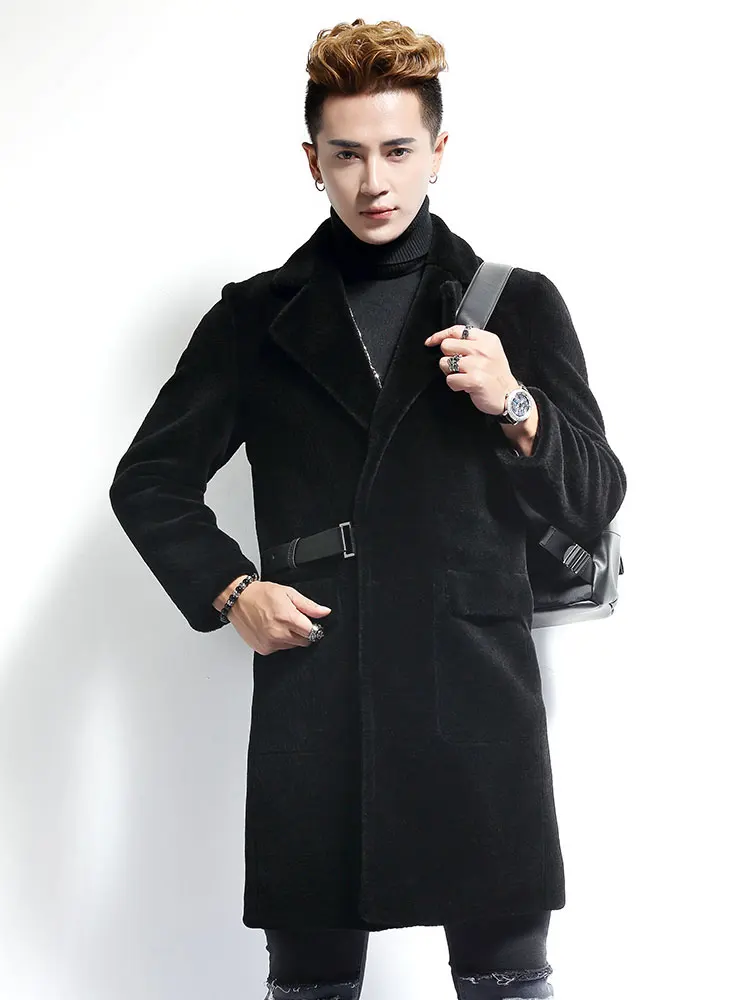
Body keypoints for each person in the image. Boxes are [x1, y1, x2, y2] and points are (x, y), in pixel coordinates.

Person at [109, 17, 627, 1000]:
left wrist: (516, 402)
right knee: (309, 984)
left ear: (439, 149)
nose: (373, 181)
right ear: (312, 160)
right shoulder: (255, 317)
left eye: (396, 149)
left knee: (509, 980)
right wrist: (233, 590)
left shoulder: (517, 304)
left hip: (474, 692)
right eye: (346, 155)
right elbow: (150, 481)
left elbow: (596, 496)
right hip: (319, 691)